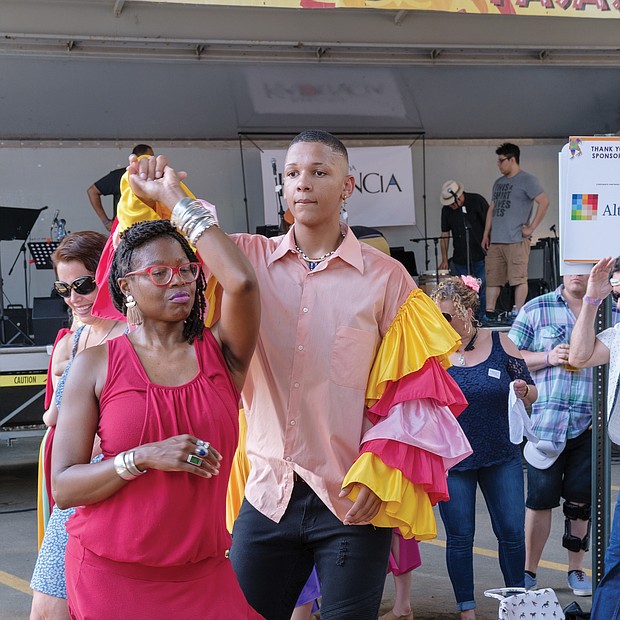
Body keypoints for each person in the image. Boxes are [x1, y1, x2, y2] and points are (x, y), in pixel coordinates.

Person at [122, 133, 470, 620]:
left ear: (348, 186)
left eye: (318, 172)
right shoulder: (243, 257)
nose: (302, 183)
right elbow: (158, 257)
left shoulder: (387, 278)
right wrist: (155, 194)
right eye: (291, 174)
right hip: (266, 491)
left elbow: (415, 391)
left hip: (349, 497)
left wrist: (384, 470)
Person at [51, 168, 262, 618]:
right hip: (112, 576)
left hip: (203, 574)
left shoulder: (222, 355)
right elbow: (64, 487)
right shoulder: (96, 365)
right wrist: (142, 457)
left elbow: (242, 283)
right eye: (160, 273)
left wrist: (171, 196)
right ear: (126, 286)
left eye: (187, 271)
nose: (180, 281)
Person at [30, 231, 126, 620]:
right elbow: (51, 414)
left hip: (107, 487)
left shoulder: (129, 336)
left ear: (107, 275)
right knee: (49, 605)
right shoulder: (80, 334)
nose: (74, 297)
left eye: (84, 285)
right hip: (72, 483)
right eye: (64, 288)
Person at [431, 275, 537, 620]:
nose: (442, 323)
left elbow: (533, 392)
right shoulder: (432, 349)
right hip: (453, 459)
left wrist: (522, 390)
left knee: (511, 532)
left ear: (468, 313)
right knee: (460, 537)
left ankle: (517, 603)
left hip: (500, 454)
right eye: (438, 316)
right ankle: (467, 610)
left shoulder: (501, 343)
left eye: (448, 316)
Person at [509, 274, 599, 597]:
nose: (577, 274)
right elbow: (511, 356)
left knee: (580, 502)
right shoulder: (536, 308)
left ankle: (576, 570)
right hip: (546, 424)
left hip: (590, 424)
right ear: (562, 268)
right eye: (571, 266)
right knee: (539, 500)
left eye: (583, 266)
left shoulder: (608, 311)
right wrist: (547, 357)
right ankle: (528, 571)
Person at [569, 256, 620, 619]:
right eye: (616, 294)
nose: (619, 301)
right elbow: (578, 355)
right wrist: (591, 300)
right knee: (616, 568)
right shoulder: (617, 336)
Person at [482, 143, 549, 315]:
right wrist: (485, 234)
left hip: (516, 240)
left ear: (512, 160)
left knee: (518, 278)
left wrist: (532, 227)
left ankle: (519, 313)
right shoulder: (498, 183)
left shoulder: (527, 180)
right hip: (497, 239)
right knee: (493, 279)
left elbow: (544, 201)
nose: (499, 165)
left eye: (501, 161)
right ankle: (489, 312)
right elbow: (492, 209)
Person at [439, 180, 489, 318]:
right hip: (460, 257)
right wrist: (444, 258)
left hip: (481, 254)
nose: (452, 205)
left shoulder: (477, 201)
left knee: (482, 287)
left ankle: (483, 317)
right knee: (464, 291)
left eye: (453, 202)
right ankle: (468, 318)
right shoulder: (446, 211)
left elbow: (489, 224)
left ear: (459, 196)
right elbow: (444, 234)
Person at [87, 144, 153, 231]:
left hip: (151, 227)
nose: (150, 161)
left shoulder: (154, 176)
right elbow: (92, 191)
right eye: (147, 158)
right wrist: (105, 221)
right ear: (136, 159)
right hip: (123, 230)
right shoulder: (120, 175)